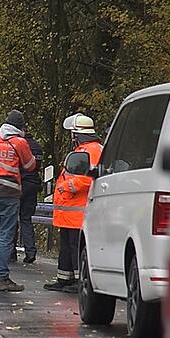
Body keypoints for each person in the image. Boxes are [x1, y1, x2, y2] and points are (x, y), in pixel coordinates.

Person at [0, 109, 36, 292]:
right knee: (6, 237)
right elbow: (30, 166)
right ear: (20, 127)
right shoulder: (19, 142)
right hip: (10, 195)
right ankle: (2, 278)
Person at [44, 113, 103, 292]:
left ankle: (79, 281)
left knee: (75, 246)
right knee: (67, 246)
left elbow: (92, 177)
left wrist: (68, 186)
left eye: (72, 134)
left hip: (78, 211)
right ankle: (64, 278)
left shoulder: (91, 151)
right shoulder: (83, 151)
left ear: (77, 134)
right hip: (69, 212)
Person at [13, 130, 44, 263]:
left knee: (12, 219)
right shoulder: (37, 146)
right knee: (26, 219)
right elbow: (38, 167)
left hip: (18, 184)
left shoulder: (18, 145)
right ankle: (30, 251)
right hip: (32, 185)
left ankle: (10, 252)